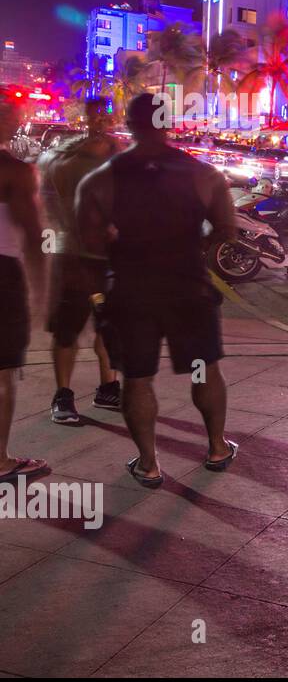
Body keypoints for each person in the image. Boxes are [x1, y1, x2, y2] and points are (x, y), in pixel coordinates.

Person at [75, 93, 239, 488]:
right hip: (189, 290)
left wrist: (101, 292)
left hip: (133, 292)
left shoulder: (100, 180)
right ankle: (216, 447)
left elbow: (89, 247)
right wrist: (194, 246)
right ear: (168, 124)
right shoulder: (203, 174)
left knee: (137, 377)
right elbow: (227, 229)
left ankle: (148, 464)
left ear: (129, 124)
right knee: (204, 370)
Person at [37, 97, 121, 424]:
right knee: (67, 327)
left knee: (108, 326)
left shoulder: (123, 158)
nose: (101, 120)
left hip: (108, 259)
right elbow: (47, 195)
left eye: (106, 115)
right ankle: (63, 395)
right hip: (73, 255)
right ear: (85, 118)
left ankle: (109, 387)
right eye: (95, 115)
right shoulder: (67, 156)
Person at [0, 98, 49, 482]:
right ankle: (0, 462)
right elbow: (34, 237)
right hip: (2, 274)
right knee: (3, 373)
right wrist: (40, 290)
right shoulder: (15, 172)